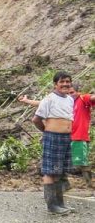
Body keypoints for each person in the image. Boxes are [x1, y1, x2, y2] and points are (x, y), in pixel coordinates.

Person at [30, 72, 76, 214]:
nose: (65, 84)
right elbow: (36, 119)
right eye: (62, 82)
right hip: (53, 137)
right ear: (55, 84)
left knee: (60, 171)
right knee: (50, 171)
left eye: (68, 81)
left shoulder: (69, 99)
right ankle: (52, 205)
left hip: (66, 138)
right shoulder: (49, 99)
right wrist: (47, 132)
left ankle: (60, 203)